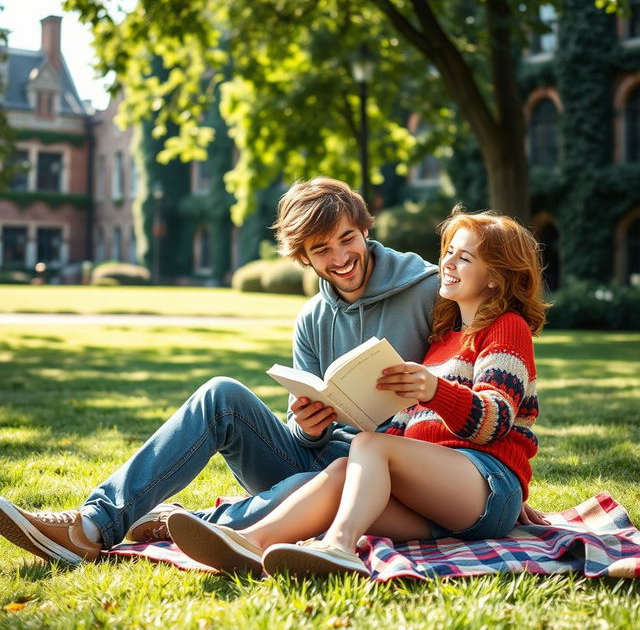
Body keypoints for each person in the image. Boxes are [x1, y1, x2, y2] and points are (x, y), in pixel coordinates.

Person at [0, 177, 441, 564]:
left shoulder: (428, 290)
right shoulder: (312, 317)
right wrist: (307, 427)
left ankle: (192, 522)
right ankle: (92, 525)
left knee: (323, 485)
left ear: (365, 228)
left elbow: (468, 379)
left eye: (347, 238)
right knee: (220, 394)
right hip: (317, 459)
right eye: (321, 250)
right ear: (304, 257)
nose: (340, 257)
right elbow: (304, 432)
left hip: (387, 473)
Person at [161, 206, 550, 577]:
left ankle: (339, 546)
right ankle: (249, 542)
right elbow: (404, 428)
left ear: (495, 276)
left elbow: (496, 420)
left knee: (369, 446)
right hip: (439, 502)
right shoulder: (441, 341)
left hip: (486, 486)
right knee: (346, 470)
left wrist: (435, 391)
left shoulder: (506, 328)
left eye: (464, 258)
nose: (446, 263)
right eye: (448, 251)